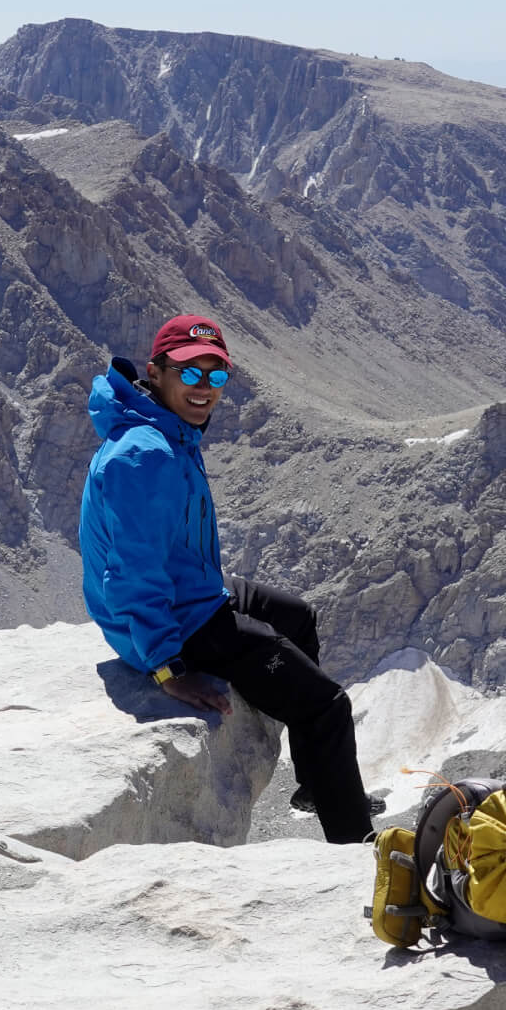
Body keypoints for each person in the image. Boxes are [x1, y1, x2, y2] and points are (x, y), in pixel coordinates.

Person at [78, 314, 380, 844]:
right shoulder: (143, 456)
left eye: (215, 377)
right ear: (157, 371)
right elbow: (131, 574)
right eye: (189, 374)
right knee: (329, 706)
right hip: (177, 622)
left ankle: (317, 784)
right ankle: (355, 849)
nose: (204, 389)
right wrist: (169, 669)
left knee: (298, 615)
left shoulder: (163, 427)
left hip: (192, 592)